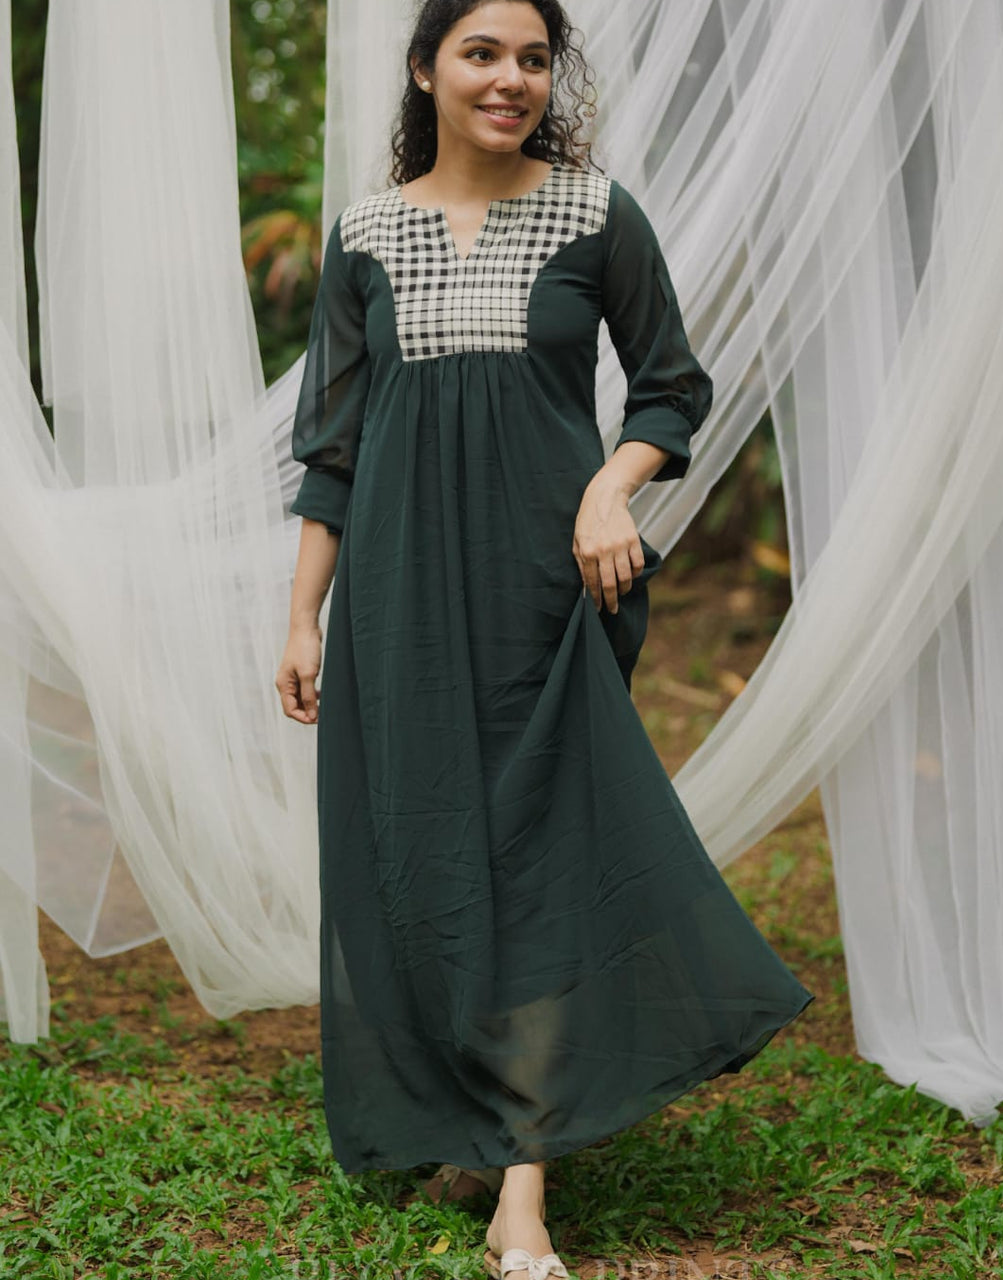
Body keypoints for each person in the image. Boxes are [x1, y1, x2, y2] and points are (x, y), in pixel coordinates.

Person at [275, 2, 814, 1277]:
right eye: (482, 53)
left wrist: (609, 487)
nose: (511, 79)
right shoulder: (365, 237)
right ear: (426, 69)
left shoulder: (596, 217)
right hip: (399, 599)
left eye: (532, 58)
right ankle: (477, 1109)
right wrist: (302, 612)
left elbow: (671, 387)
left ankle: (522, 1184)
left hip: (547, 587)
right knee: (422, 853)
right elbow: (334, 451)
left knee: (539, 855)